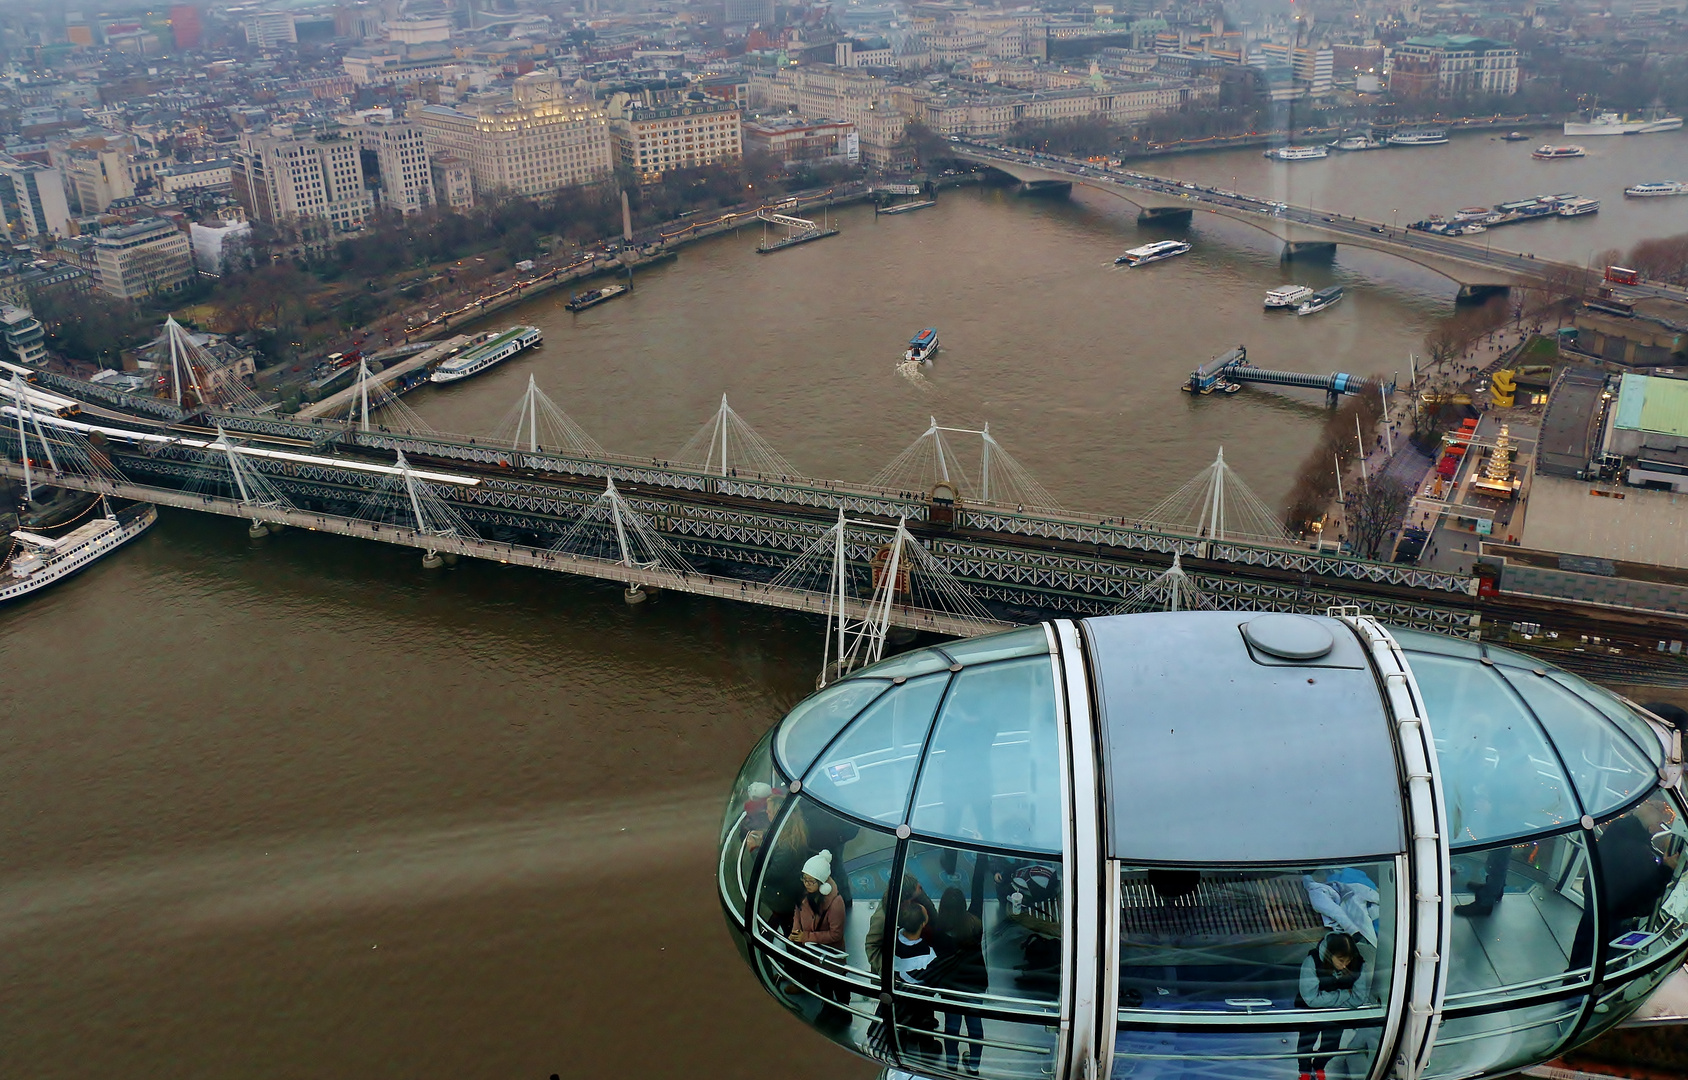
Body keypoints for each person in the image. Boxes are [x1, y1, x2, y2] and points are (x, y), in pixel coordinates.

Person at [1295, 932, 1374, 1080]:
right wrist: (1344, 994)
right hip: (1311, 1012)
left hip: (1338, 1014)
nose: (1345, 965)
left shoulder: (1359, 965)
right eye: (1341, 960)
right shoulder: (1312, 961)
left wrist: (1325, 998)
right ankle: (1304, 1070)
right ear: (1329, 954)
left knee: (1331, 1046)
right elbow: (1311, 999)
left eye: (1348, 960)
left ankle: (1319, 1066)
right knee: (1306, 1043)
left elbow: (1358, 999)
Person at [934, 887, 988, 1076]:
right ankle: (973, 1064)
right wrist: (981, 861)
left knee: (951, 1024)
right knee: (974, 1024)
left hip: (951, 985)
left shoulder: (938, 930)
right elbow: (977, 893)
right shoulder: (974, 924)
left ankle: (951, 1061)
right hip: (974, 982)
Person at [868, 873, 937, 974]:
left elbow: (933, 917)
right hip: (891, 971)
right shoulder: (882, 918)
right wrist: (886, 971)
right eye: (916, 888)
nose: (920, 887)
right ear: (906, 899)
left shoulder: (913, 894)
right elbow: (872, 946)